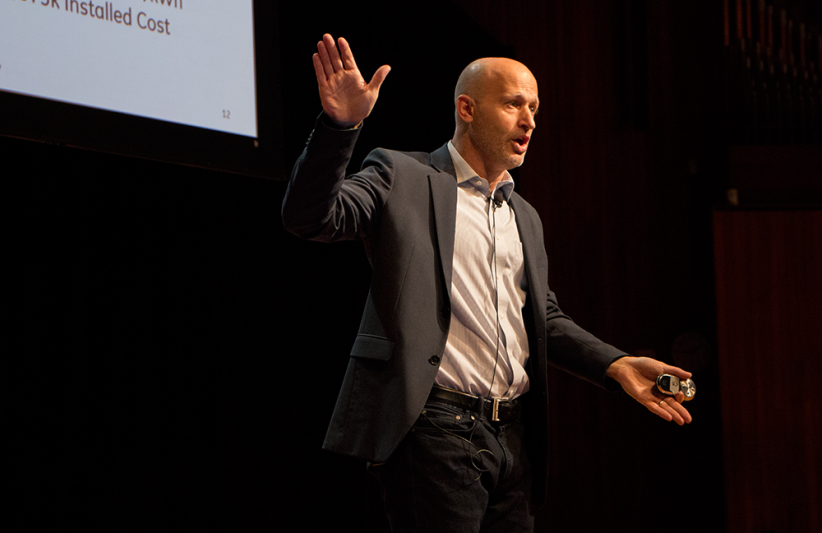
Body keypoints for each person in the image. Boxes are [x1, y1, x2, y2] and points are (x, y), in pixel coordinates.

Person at [282, 34, 692, 533]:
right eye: (514, 104)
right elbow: (310, 219)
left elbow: (543, 317)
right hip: (434, 429)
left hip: (513, 437)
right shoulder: (402, 174)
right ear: (467, 108)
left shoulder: (526, 216)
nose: (529, 121)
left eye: (535, 108)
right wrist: (339, 127)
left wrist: (617, 364)